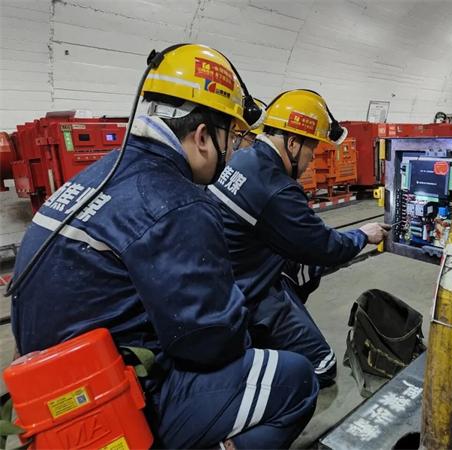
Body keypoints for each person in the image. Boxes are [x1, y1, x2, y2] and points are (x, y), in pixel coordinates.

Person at [9, 45, 318, 449]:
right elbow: (209, 342)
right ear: (203, 136)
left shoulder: (102, 173)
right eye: (232, 137)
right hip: (113, 403)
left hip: (48, 396)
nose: (234, 151)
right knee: (295, 380)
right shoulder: (178, 201)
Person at [208, 90, 390, 387]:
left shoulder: (242, 158)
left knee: (304, 266)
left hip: (225, 273)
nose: (310, 160)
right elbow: (324, 247)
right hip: (248, 289)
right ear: (292, 143)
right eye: (311, 150)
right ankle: (253, 362)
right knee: (322, 366)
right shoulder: (276, 187)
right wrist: (362, 235)